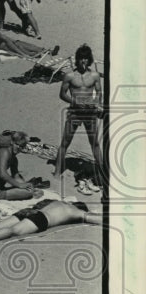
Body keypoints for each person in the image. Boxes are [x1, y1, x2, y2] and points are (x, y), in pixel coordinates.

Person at [53, 44, 104, 192]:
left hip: (89, 113)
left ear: (89, 60)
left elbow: (99, 92)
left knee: (94, 144)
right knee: (65, 142)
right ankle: (56, 172)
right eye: (81, 59)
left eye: (86, 59)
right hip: (75, 112)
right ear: (77, 60)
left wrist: (97, 104)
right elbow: (62, 94)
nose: (83, 62)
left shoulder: (94, 75)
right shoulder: (69, 75)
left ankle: (102, 172)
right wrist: (75, 102)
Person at [0, 199, 99, 246]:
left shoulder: (59, 202)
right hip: (41, 218)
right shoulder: (74, 211)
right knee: (14, 231)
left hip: (30, 210)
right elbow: (96, 218)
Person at [0, 131, 43, 201]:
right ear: (12, 142)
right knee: (29, 193)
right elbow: (3, 174)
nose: (19, 148)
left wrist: (26, 186)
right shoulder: (4, 152)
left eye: (22, 147)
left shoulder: (14, 159)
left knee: (30, 190)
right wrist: (20, 185)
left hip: (1, 188)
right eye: (17, 145)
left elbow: (16, 176)